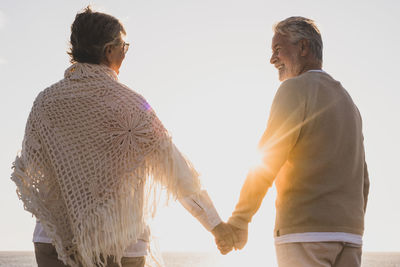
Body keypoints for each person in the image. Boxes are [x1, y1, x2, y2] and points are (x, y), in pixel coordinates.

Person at [11, 7, 234, 267]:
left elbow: (34, 169)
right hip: (117, 247)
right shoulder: (131, 106)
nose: (125, 52)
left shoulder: (45, 103)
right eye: (123, 46)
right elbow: (175, 170)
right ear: (109, 50)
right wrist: (216, 225)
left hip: (53, 244)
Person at [217, 16, 370, 266]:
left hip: (305, 235)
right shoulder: (349, 102)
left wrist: (239, 220)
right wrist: (349, 224)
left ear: (303, 47)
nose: (272, 59)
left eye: (278, 49)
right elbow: (363, 180)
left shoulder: (294, 89)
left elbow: (268, 158)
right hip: (350, 237)